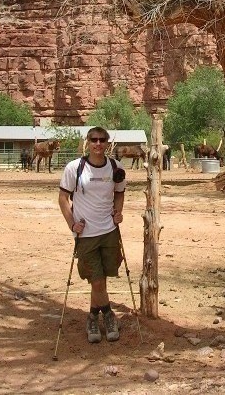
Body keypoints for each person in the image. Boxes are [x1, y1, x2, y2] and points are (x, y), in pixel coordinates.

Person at [58, 126, 126, 343]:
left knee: (102, 279)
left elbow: (119, 193)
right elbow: (62, 198)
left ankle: (92, 317)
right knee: (96, 280)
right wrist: (72, 224)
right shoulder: (74, 168)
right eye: (94, 140)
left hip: (109, 231)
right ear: (87, 142)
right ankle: (108, 315)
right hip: (86, 233)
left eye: (102, 140)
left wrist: (118, 212)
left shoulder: (116, 167)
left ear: (107, 143)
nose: (98, 144)